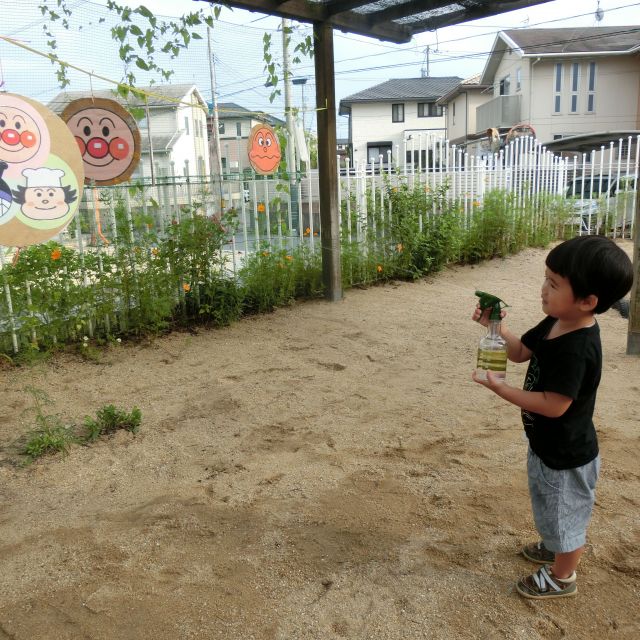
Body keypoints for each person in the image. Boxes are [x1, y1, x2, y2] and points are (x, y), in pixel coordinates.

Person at [471, 235, 634, 599]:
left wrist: (502, 390)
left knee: (567, 515)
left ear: (588, 301)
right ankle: (555, 545)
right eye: (546, 278)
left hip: (568, 454)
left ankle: (563, 576)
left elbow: (553, 404)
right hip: (547, 445)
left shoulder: (578, 347)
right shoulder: (555, 321)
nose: (543, 289)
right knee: (549, 504)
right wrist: (494, 327)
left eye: (554, 284)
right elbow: (520, 352)